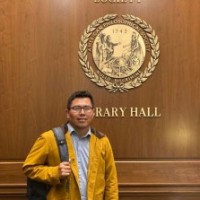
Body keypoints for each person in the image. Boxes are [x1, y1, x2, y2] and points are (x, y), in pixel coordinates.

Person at [22, 90, 119, 200]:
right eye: (76, 108)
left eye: (87, 108)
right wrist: (55, 172)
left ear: (93, 112)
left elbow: (111, 180)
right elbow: (29, 168)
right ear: (67, 113)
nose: (82, 112)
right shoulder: (49, 138)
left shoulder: (102, 141)